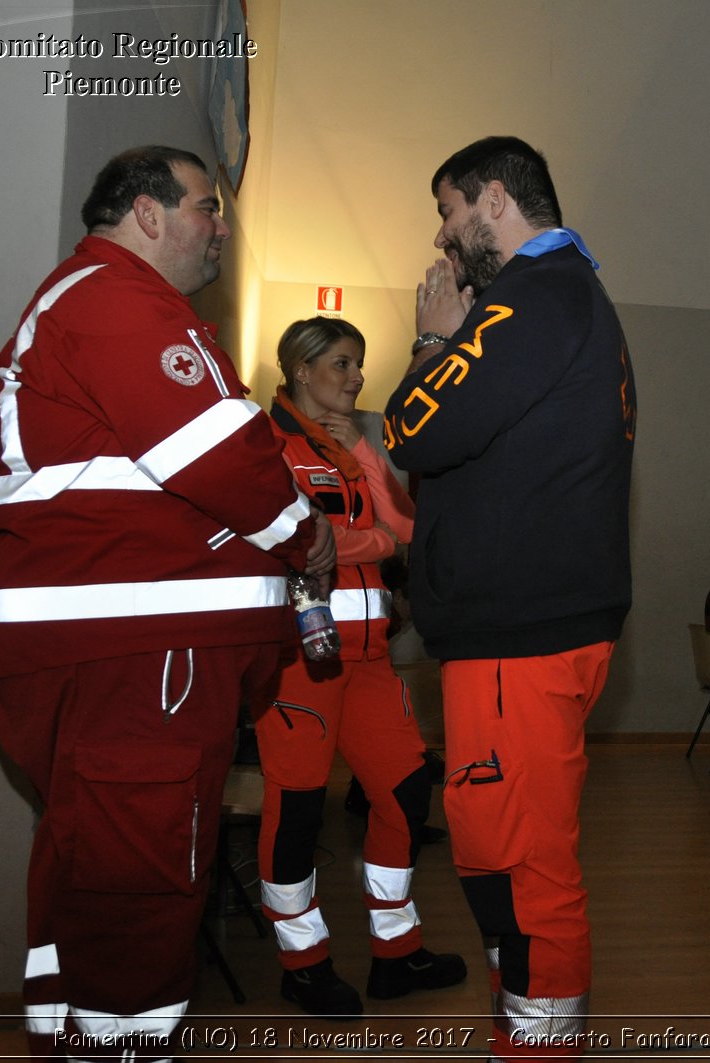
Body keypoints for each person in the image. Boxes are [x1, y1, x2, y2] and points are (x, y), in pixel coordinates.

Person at [0, 146, 333, 1059]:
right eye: (207, 208)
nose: (220, 228)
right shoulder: (115, 299)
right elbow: (220, 455)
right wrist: (307, 532)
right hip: (141, 664)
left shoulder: (98, 303)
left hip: (120, 661)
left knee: (92, 879)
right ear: (146, 214)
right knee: (139, 893)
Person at [382, 136, 634, 1060]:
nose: (444, 241)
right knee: (498, 856)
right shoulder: (560, 297)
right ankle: (522, 1021)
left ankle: (538, 1043)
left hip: (520, 639)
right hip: (521, 632)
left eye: (449, 213)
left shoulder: (535, 295)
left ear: (494, 200)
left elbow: (413, 424)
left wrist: (435, 338)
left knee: (527, 872)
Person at [253, 316, 465, 1018]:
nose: (355, 377)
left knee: (405, 793)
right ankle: (302, 961)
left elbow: (410, 529)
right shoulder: (265, 444)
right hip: (300, 664)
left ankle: (396, 950)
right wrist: (365, 538)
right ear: (301, 368)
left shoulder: (357, 445)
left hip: (371, 659)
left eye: (359, 364)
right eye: (341, 363)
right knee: (297, 811)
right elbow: (296, 540)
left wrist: (370, 469)